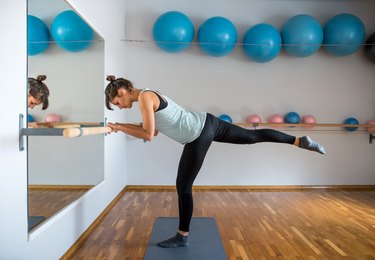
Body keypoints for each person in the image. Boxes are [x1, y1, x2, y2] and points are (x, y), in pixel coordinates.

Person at [104, 75, 326, 248]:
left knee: (183, 187)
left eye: (117, 102)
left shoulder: (144, 97)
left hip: (197, 136)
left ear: (122, 91)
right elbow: (151, 131)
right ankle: (299, 141)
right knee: (251, 137)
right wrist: (118, 127)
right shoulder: (147, 93)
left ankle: (182, 236)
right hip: (208, 122)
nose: (121, 107)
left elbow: (148, 135)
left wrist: (120, 127)